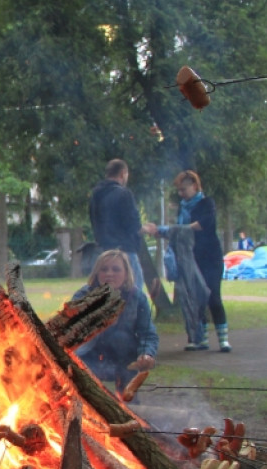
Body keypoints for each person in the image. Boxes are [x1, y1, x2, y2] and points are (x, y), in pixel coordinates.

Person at [143, 170, 230, 352]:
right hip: (190, 258)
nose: (181, 193)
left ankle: (223, 339)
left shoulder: (207, 203)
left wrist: (168, 229)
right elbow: (178, 234)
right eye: (179, 190)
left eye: (184, 189)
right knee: (195, 298)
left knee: (213, 296)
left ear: (195, 186)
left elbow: (199, 225)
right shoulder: (182, 208)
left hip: (210, 257)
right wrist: (157, 231)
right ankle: (200, 338)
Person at [72, 250, 158, 397]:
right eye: (104, 269)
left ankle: (127, 396)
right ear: (97, 273)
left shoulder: (136, 297)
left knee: (121, 337)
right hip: (88, 355)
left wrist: (147, 353)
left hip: (122, 356)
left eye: (116, 269)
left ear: (126, 274)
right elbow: (70, 331)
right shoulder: (83, 296)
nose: (109, 274)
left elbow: (148, 333)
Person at [89, 159, 145, 290]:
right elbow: (133, 225)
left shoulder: (95, 195)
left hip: (105, 251)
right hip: (125, 251)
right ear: (123, 173)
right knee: (134, 290)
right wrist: (147, 229)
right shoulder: (124, 194)